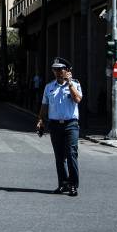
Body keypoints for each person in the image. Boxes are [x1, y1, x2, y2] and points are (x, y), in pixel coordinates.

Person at [35, 57, 82, 196]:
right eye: (54, 69)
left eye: (59, 69)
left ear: (67, 70)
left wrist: (70, 84)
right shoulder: (49, 87)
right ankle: (63, 183)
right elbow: (44, 106)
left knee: (71, 154)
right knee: (59, 157)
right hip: (55, 125)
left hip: (71, 125)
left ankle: (73, 185)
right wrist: (40, 120)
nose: (56, 72)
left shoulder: (75, 84)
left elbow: (77, 99)